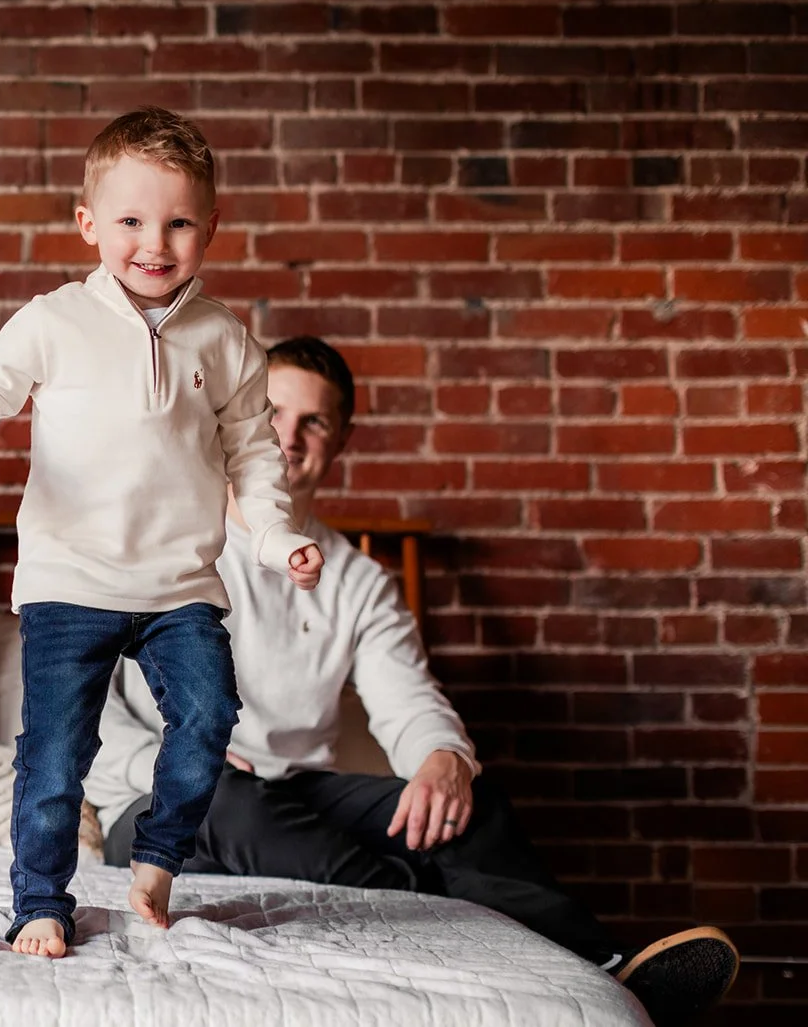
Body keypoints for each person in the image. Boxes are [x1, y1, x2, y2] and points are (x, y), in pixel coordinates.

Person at [85, 335, 739, 1027]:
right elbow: (81, 707)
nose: (289, 435)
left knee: (466, 798)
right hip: (156, 802)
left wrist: (442, 757)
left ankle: (606, 963)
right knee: (218, 792)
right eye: (270, 411)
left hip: (296, 794)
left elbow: (408, 698)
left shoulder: (359, 581)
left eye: (314, 421)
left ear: (342, 439)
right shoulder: (155, 538)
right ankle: (450, 913)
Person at [0, 107, 323, 959]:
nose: (155, 241)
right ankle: (39, 900)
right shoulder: (55, 320)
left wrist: (275, 538)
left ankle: (159, 857)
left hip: (179, 587)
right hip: (70, 583)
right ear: (89, 224)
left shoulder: (226, 339)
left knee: (211, 713)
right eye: (132, 220)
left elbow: (255, 460)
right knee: (57, 752)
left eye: (179, 222)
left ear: (211, 227)